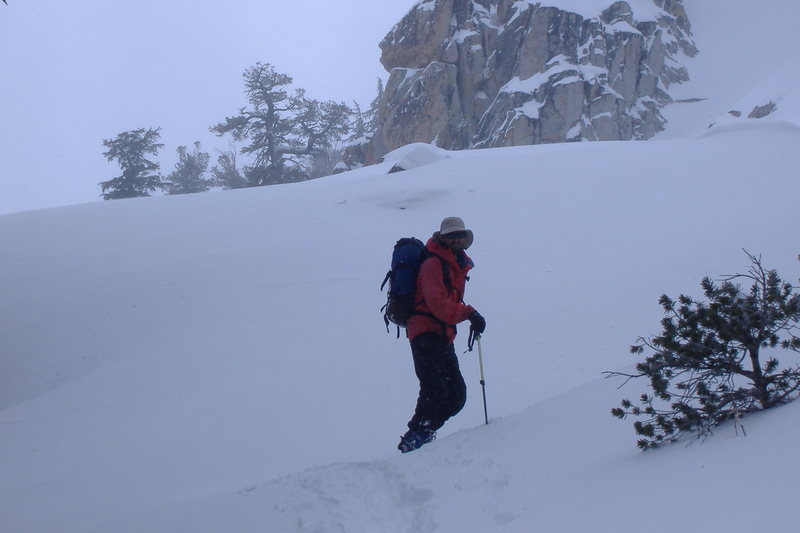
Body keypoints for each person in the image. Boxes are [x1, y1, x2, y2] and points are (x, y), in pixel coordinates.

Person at [398, 216, 486, 453]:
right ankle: (414, 440)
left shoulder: (456, 264)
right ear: (443, 237)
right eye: (451, 236)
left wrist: (466, 315)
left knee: (456, 396)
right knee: (434, 390)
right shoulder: (433, 264)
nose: (456, 239)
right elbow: (438, 304)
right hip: (425, 332)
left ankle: (422, 434)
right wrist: (469, 313)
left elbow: (447, 304)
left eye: (459, 235)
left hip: (442, 334)